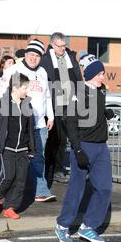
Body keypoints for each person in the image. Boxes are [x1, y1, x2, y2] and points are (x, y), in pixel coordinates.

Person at [55, 54, 114, 242]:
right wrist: (77, 149)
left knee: (104, 188)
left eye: (103, 74)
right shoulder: (78, 92)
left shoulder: (101, 90)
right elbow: (70, 122)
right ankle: (63, 226)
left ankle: (88, 226)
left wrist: (104, 112)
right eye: (98, 74)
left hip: (101, 147)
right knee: (76, 189)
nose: (102, 78)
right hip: (83, 146)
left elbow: (95, 108)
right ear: (89, 75)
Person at [0, 39, 56, 202]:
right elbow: (1, 93)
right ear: (26, 54)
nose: (33, 58)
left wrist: (50, 116)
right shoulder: (14, 70)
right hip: (18, 125)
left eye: (37, 55)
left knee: (38, 157)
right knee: (11, 159)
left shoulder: (43, 72)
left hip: (39, 124)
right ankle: (2, 190)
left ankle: (41, 191)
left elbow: (48, 96)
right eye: (31, 54)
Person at [0, 73, 36, 219]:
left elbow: (30, 129)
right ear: (15, 88)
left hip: (23, 148)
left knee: (20, 180)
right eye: (25, 88)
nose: (27, 91)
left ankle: (10, 207)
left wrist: (32, 148)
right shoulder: (1, 103)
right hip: (7, 147)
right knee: (9, 176)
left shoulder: (27, 104)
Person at [40, 32, 83, 186]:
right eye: (60, 46)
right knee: (52, 139)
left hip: (69, 104)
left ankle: (58, 170)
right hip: (52, 105)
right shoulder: (45, 60)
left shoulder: (70, 57)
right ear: (52, 45)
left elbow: (78, 77)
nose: (63, 48)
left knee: (63, 140)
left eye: (65, 45)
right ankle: (46, 171)